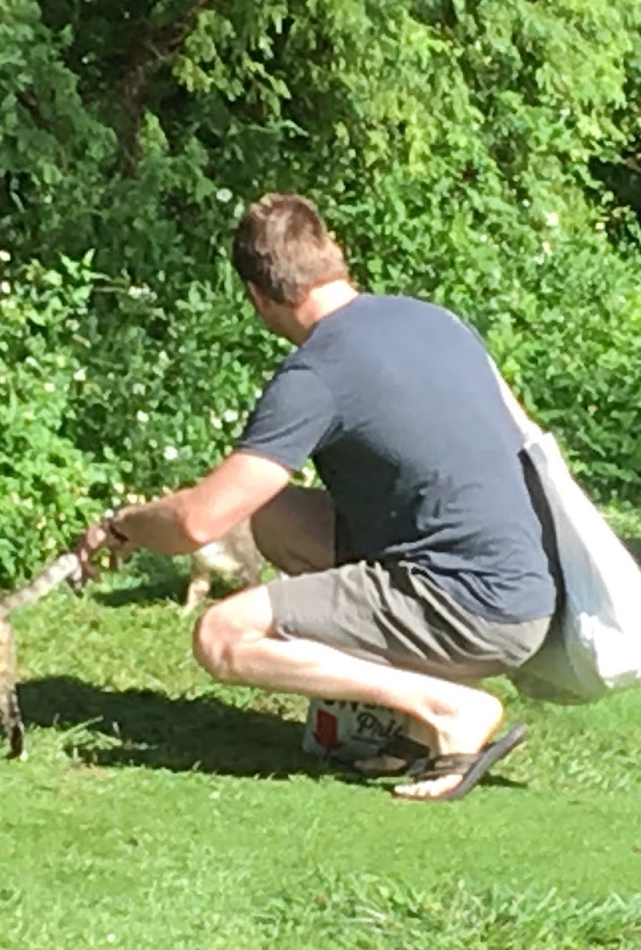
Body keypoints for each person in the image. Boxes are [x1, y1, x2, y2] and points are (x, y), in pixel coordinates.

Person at [74, 193, 557, 800]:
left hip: (472, 607)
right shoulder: (435, 320)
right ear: (336, 256)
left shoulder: (318, 374)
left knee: (222, 635)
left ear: (256, 296)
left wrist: (121, 523)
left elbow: (198, 523)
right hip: (526, 586)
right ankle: (410, 727)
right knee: (269, 514)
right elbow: (526, 438)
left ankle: (445, 708)